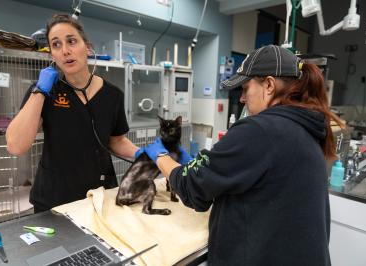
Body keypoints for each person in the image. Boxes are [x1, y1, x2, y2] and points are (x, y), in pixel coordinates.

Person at [143, 45, 344, 266]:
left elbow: (191, 185)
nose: (241, 99)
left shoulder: (261, 130)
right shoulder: (304, 127)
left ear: (268, 85)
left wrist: (160, 156)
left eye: (245, 88)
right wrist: (208, 167)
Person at [6, 14, 141, 213]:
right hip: (54, 201)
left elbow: (116, 140)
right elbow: (16, 146)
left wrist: (140, 153)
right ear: (52, 54)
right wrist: (40, 91)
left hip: (99, 197)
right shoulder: (43, 91)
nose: (66, 51)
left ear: (87, 47)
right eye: (56, 45)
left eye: (71, 41)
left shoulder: (113, 95)